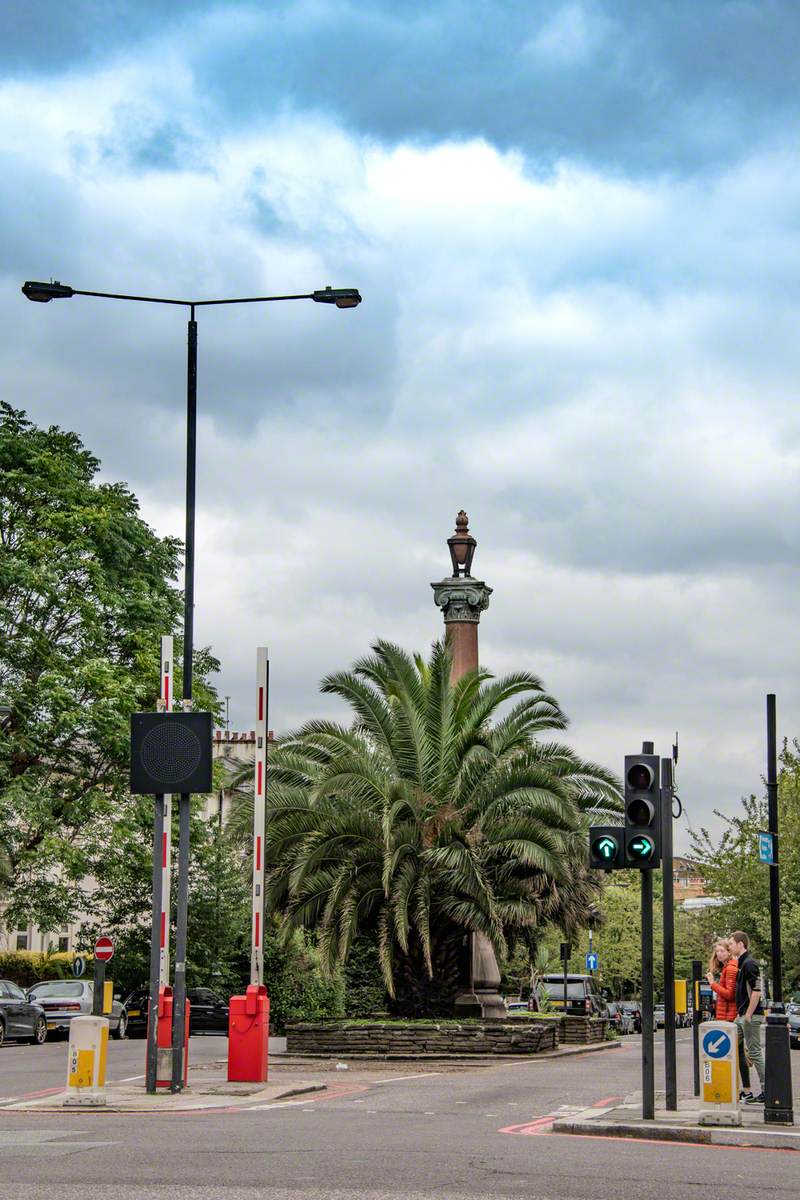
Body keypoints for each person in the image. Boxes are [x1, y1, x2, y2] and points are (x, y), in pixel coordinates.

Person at [706, 940, 751, 1099]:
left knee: (735, 1055)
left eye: (722, 951)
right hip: (726, 1016)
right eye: (717, 951)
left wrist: (712, 984)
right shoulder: (728, 968)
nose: (719, 954)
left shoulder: (731, 969)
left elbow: (729, 994)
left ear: (729, 952)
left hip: (729, 1017)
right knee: (737, 1053)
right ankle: (744, 1090)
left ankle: (744, 1090)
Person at [730, 930, 765, 1103]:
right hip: (742, 1015)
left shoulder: (750, 964)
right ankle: (730, 1087)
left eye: (731, 944)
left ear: (740, 944)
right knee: (729, 1043)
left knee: (755, 1052)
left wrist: (749, 1015)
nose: (730, 947)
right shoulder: (743, 964)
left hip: (749, 1016)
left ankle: (768, 1090)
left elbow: (757, 991)